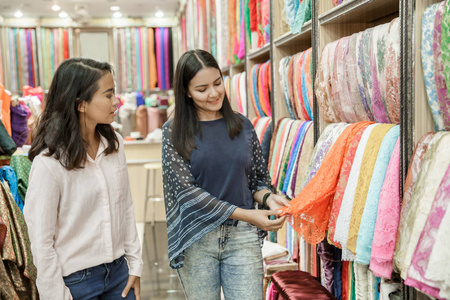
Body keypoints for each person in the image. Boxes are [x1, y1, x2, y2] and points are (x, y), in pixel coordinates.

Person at [162, 49, 289, 299]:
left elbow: (256, 180)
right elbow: (188, 194)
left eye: (217, 83)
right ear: (186, 91)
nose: (213, 93)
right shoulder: (173, 132)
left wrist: (269, 199)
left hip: (242, 236)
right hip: (197, 237)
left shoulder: (243, 126)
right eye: (202, 89)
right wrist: (249, 214)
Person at [23, 58, 143, 300]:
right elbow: (41, 240)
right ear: (81, 104)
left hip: (120, 275)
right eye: (108, 95)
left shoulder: (115, 144)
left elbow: (125, 208)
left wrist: (135, 265)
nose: (115, 102)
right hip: (76, 283)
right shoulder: (49, 162)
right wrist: (56, 295)